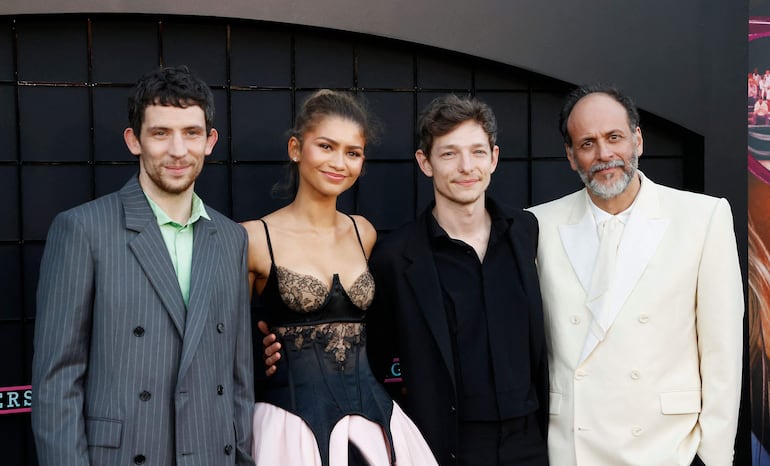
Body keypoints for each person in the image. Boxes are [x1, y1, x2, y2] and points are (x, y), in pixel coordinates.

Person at [31, 66, 254, 466]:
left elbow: (238, 377)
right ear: (134, 140)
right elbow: (57, 383)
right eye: (160, 133)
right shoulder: (82, 230)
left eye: (191, 133)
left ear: (210, 141)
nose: (177, 150)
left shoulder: (231, 238)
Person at [528, 84, 743, 465]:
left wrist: (714, 458)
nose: (604, 154)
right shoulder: (537, 225)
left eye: (614, 138)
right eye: (587, 143)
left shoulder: (703, 217)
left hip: (669, 448)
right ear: (570, 155)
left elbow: (722, 353)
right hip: (574, 448)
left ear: (637, 140)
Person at [242, 90, 437, 466]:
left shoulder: (363, 233)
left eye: (352, 152)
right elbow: (224, 338)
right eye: (326, 146)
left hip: (376, 427)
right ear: (296, 149)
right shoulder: (253, 238)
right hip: (289, 432)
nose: (339, 162)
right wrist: (256, 352)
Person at [364, 94, 549, 465]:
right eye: (449, 154)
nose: (467, 167)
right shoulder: (394, 257)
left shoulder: (525, 231)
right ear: (425, 162)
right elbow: (378, 359)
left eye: (477, 152)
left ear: (493, 158)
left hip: (529, 441)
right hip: (447, 444)